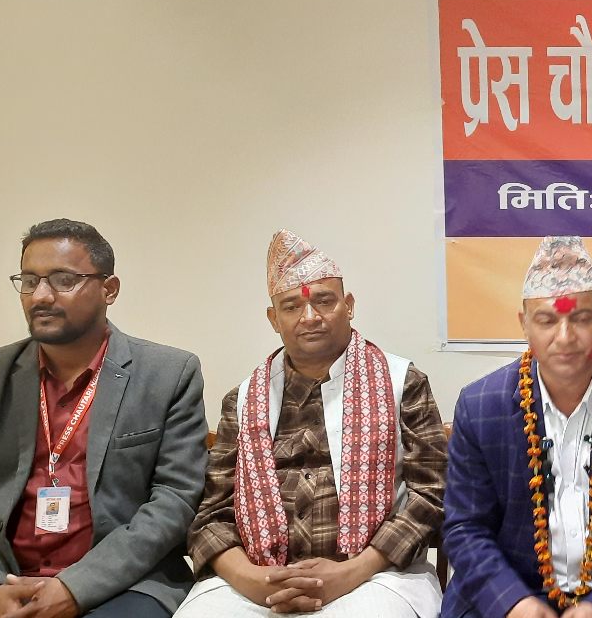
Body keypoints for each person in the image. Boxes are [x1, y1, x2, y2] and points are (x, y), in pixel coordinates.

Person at [0, 219, 208, 618]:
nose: (41, 296)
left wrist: (75, 587)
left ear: (109, 289)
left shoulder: (167, 374)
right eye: (29, 281)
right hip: (6, 577)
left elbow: (175, 501)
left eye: (64, 280)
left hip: (121, 582)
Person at [177, 229, 447, 617]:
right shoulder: (244, 399)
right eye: (291, 307)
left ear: (348, 305)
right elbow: (211, 515)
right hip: (257, 578)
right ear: (273, 319)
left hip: (376, 574)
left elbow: (432, 495)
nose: (310, 317)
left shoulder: (402, 382)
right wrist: (253, 579)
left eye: (324, 301)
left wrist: (352, 571)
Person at [442, 236, 592, 618]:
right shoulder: (479, 406)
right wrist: (514, 604)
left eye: (581, 318)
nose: (565, 337)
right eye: (547, 320)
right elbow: (465, 528)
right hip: (509, 595)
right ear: (525, 324)